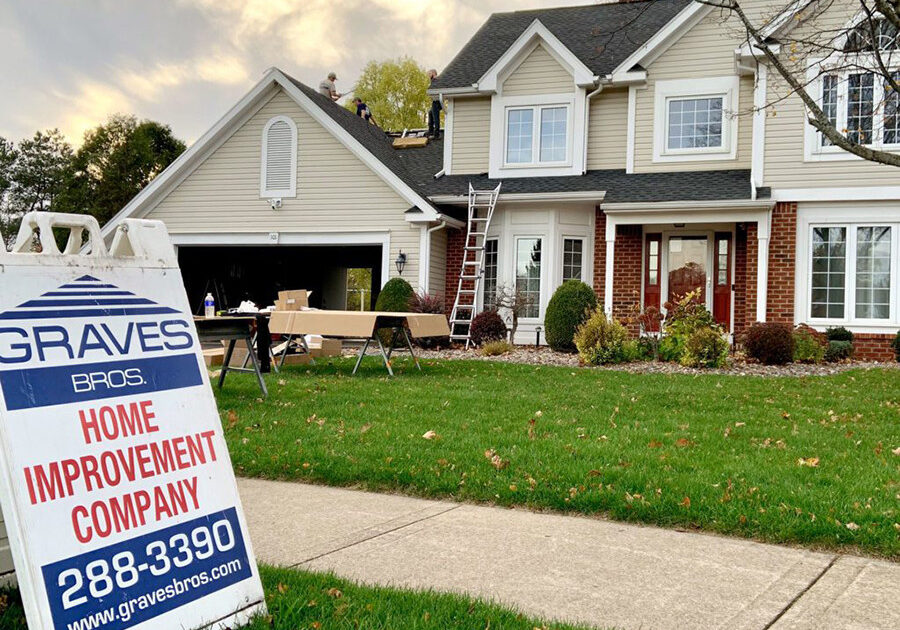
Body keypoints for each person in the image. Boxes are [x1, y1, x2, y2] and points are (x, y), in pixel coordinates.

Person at [427, 69, 443, 139]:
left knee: (435, 117)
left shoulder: (435, 80)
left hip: (437, 101)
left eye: (429, 74)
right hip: (436, 101)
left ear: (433, 73)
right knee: (430, 113)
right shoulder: (434, 80)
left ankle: (436, 134)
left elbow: (430, 89)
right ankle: (431, 130)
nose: (428, 75)